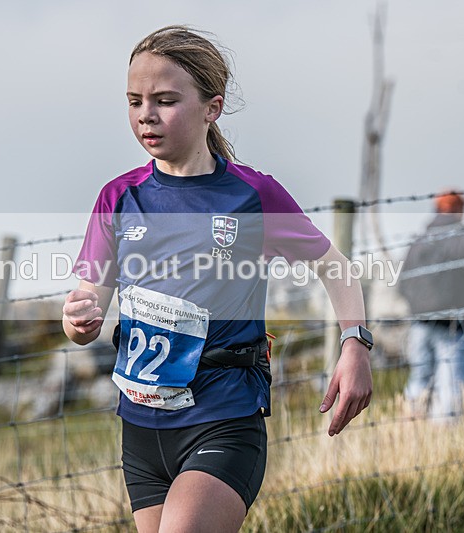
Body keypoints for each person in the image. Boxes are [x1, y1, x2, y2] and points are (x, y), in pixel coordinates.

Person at [62, 25, 372, 533]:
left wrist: (354, 345)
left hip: (223, 414)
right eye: (135, 101)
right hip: (141, 428)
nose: (146, 114)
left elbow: (335, 267)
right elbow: (85, 309)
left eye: (165, 100)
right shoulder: (117, 197)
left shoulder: (253, 196)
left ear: (212, 108)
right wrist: (78, 318)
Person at [398, 190, 464, 420]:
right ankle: (444, 436)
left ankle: (412, 427)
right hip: (453, 326)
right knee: (450, 384)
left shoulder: (418, 241)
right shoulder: (463, 240)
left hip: (419, 323)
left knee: (419, 378)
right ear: (458, 210)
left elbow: (401, 285)